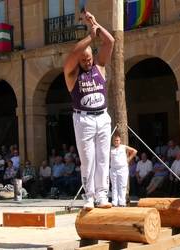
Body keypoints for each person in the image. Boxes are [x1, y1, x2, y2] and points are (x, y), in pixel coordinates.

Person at [63, 11, 114, 210]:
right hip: (83, 119)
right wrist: (90, 37)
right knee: (88, 160)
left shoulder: (99, 67)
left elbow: (110, 43)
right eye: (83, 60)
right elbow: (73, 55)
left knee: (103, 158)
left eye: (89, 58)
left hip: (102, 116)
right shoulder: (72, 74)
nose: (87, 62)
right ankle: (89, 197)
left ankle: (102, 196)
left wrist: (97, 25)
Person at [110, 133, 137, 207]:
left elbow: (134, 151)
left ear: (120, 141)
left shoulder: (123, 147)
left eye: (117, 140)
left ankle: (122, 202)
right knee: (114, 186)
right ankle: (114, 202)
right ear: (113, 141)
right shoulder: (111, 149)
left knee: (122, 185)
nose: (116, 142)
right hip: (113, 169)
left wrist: (128, 159)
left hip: (123, 169)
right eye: (115, 140)